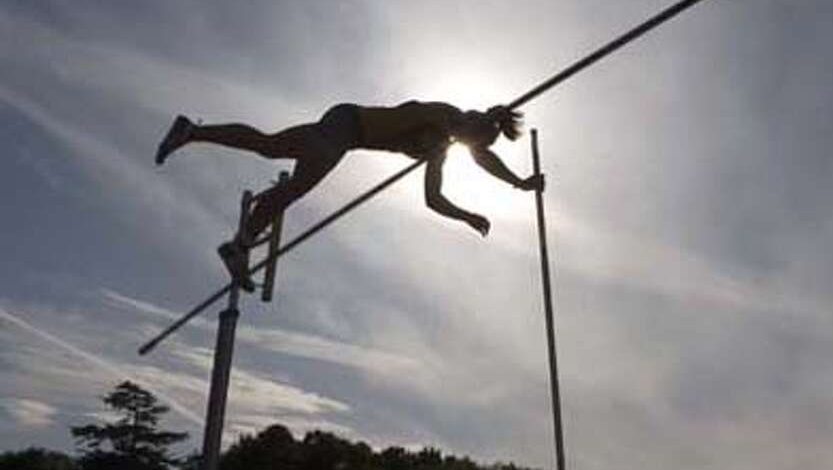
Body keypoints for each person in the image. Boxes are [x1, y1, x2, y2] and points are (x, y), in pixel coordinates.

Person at [154, 100, 543, 290]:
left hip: (345, 130)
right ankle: (241, 244)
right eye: (476, 138)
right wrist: (515, 179)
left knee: (269, 147)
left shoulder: (443, 145)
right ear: (475, 122)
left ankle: (191, 133)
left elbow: (434, 199)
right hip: (349, 124)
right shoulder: (444, 117)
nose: (472, 146)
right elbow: (482, 154)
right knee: (296, 185)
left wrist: (472, 213)